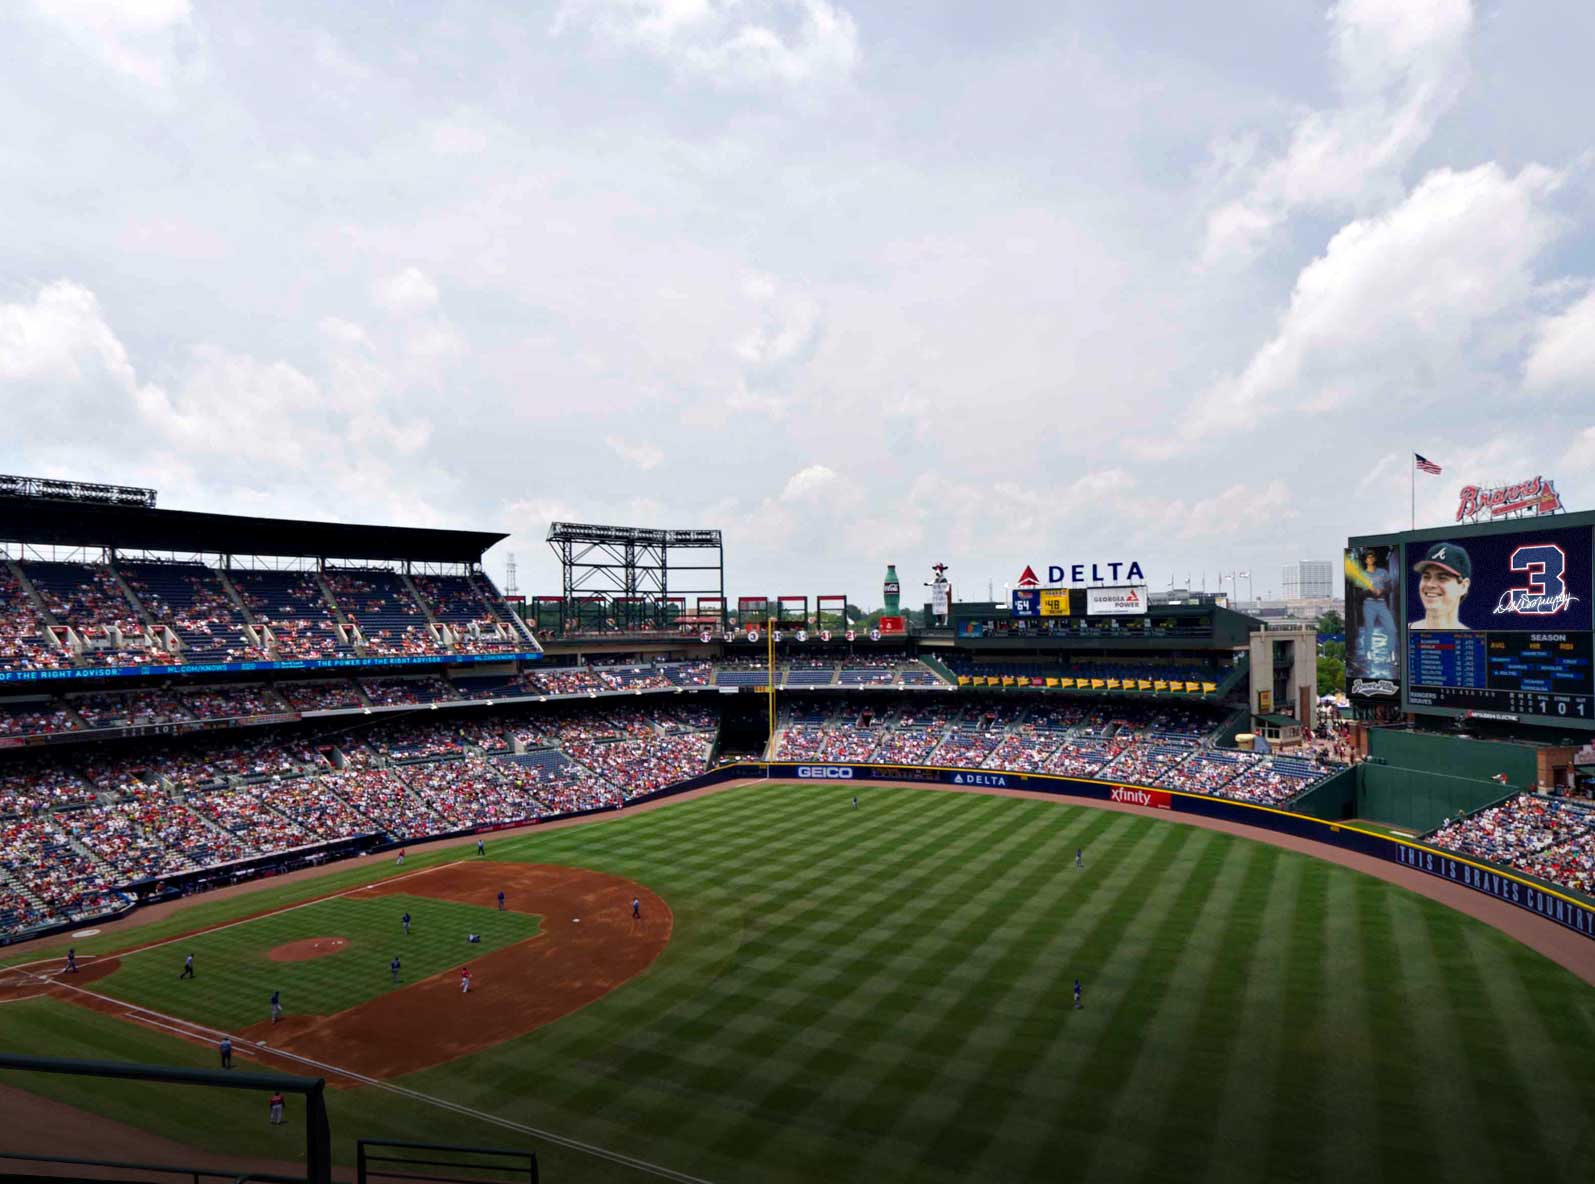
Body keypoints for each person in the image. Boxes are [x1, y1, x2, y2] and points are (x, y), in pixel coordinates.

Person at [1411, 543, 1472, 631]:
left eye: (1442, 578)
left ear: (1463, 586)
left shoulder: (1474, 640)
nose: (1430, 584)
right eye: (1426, 577)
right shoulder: (1404, 633)